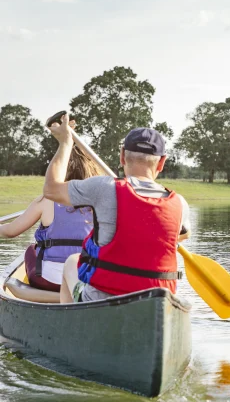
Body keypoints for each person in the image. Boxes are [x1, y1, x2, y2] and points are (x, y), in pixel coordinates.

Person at [43, 113, 191, 303]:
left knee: (72, 261)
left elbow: (51, 189)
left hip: (102, 301)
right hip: (156, 303)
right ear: (161, 162)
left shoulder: (104, 188)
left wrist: (65, 143)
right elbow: (184, 234)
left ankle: (71, 327)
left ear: (122, 156)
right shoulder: (180, 203)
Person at [0, 145, 101, 292]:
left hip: (48, 280)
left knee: (31, 250)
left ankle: (52, 296)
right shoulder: (100, 202)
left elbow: (10, 231)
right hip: (88, 279)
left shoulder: (46, 200)